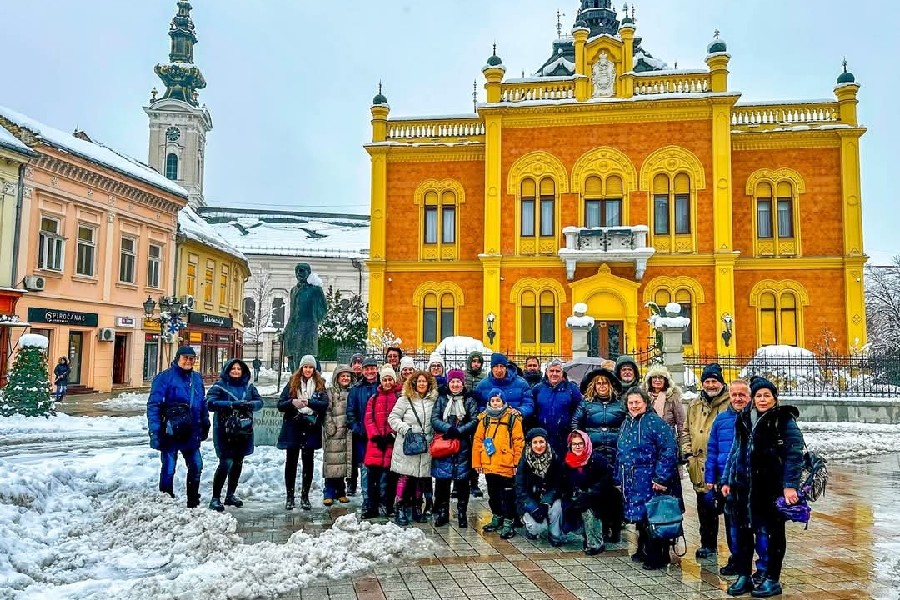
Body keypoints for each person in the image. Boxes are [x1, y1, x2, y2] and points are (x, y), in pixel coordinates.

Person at [722, 377, 805, 598]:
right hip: (743, 487)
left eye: (767, 395)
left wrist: (790, 486)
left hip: (770, 488)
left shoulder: (783, 420)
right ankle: (744, 576)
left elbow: (794, 454)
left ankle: (771, 579)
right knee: (742, 533)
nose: (762, 399)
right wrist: (727, 480)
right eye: (758, 395)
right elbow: (735, 452)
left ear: (774, 399)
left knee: (772, 534)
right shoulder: (744, 419)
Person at [705, 379, 765, 578]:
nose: (738, 399)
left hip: (753, 482)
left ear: (749, 397)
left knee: (758, 528)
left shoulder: (757, 418)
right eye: (734, 395)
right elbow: (712, 449)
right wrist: (710, 477)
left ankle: (762, 566)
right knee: (733, 526)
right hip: (727, 482)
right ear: (729, 396)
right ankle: (737, 559)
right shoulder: (721, 420)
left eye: (742, 395)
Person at [617, 387, 680, 570]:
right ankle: (643, 550)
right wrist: (617, 477)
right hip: (631, 478)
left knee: (653, 517)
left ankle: (658, 556)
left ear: (645, 403)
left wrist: (661, 477)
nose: (634, 406)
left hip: (649, 478)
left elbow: (668, 450)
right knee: (640, 518)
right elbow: (620, 451)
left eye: (637, 402)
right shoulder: (626, 422)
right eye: (631, 403)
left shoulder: (655, 423)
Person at [146, 346, 209, 508]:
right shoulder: (164, 378)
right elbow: (154, 406)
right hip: (170, 432)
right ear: (177, 358)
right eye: (185, 358)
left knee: (196, 465)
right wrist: (155, 431)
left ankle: (193, 500)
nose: (189, 361)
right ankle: (166, 502)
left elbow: (202, 403)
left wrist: (205, 422)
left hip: (191, 431)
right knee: (168, 468)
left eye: (192, 358)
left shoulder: (196, 378)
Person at [683, 363, 732, 559]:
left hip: (724, 464)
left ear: (721, 383)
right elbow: (685, 431)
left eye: (714, 381)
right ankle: (708, 544)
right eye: (707, 381)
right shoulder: (695, 404)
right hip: (700, 464)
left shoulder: (730, 403)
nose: (711, 385)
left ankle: (734, 550)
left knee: (729, 511)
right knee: (705, 508)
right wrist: (688, 453)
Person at [205, 359, 264, 511]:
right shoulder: (220, 386)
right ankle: (215, 497)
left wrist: (251, 405)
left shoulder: (248, 387)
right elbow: (210, 403)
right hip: (225, 432)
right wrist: (231, 405)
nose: (236, 371)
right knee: (225, 463)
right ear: (227, 370)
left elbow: (259, 402)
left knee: (238, 463)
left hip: (243, 431)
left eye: (239, 369)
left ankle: (230, 495)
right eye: (233, 369)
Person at [277, 354, 328, 510]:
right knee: (291, 462)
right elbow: (280, 405)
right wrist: (292, 402)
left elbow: (324, 404)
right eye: (305, 367)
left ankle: (305, 496)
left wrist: (310, 402)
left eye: (310, 367)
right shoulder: (292, 383)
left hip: (310, 427)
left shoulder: (320, 384)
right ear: (301, 368)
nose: (308, 370)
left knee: (308, 462)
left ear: (314, 369)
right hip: (294, 425)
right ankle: (290, 496)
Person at [472, 388, 525, 539]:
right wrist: (477, 462)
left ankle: (509, 520)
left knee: (508, 494)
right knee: (493, 493)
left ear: (503, 402)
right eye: (493, 401)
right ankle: (497, 516)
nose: (495, 403)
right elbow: (477, 440)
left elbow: (518, 442)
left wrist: (516, 463)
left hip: (506, 464)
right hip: (489, 464)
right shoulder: (484, 419)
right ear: (489, 402)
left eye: (498, 400)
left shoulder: (513, 419)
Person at [431, 368, 478, 528]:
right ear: (448, 383)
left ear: (462, 383)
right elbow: (435, 418)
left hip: (463, 445)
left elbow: (474, 420)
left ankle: (462, 512)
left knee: (463, 481)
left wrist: (459, 431)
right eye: (452, 382)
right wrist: (447, 428)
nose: (455, 384)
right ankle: (443, 511)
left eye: (458, 381)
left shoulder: (469, 399)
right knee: (443, 481)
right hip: (444, 444)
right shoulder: (441, 398)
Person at [389, 370, 437, 526]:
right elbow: (393, 418)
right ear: (413, 383)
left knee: (420, 478)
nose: (422, 384)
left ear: (429, 384)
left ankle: (417, 507)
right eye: (419, 381)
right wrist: (404, 428)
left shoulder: (433, 400)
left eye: (425, 381)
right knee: (404, 476)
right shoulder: (405, 400)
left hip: (425, 446)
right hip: (408, 444)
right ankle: (400, 507)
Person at [561, 430, 619, 555]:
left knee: (589, 509)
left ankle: (596, 544)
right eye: (574, 444)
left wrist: (589, 493)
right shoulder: (567, 463)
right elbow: (564, 486)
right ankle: (587, 534)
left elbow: (605, 482)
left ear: (586, 444)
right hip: (576, 499)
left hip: (599, 499)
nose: (577, 447)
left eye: (580, 443)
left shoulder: (598, 460)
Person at [363, 366, 401, 518]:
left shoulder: (399, 398)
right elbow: (368, 418)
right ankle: (372, 507)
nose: (387, 382)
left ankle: (389, 506)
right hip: (376, 444)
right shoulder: (373, 399)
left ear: (394, 381)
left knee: (391, 479)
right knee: (373, 478)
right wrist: (376, 436)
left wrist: (393, 435)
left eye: (389, 379)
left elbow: (402, 418)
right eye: (384, 379)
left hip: (392, 443)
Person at [515, 427, 565, 545]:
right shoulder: (524, 461)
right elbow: (520, 489)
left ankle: (555, 535)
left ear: (546, 442)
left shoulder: (555, 458)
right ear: (530, 444)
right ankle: (531, 530)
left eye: (541, 442)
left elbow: (559, 485)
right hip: (529, 500)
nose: (539, 446)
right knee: (537, 528)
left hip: (549, 497)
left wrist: (546, 501)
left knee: (558, 506)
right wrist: (533, 507)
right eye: (535, 442)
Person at [531, 358, 582, 458]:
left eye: (557, 371)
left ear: (562, 373)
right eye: (551, 371)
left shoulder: (571, 389)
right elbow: (533, 411)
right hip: (543, 437)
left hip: (565, 437)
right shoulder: (538, 389)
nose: (554, 374)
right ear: (546, 372)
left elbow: (579, 409)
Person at [283, 263, 327, 372]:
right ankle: (294, 384)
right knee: (292, 358)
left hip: (308, 331)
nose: (299, 273)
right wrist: (286, 330)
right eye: (297, 271)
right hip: (293, 330)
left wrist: (312, 323)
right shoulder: (293, 290)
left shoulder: (315, 289)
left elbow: (323, 309)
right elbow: (293, 312)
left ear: (308, 273)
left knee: (306, 359)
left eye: (302, 271)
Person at [347, 356, 380, 500]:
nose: (370, 371)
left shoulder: (382, 387)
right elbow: (350, 412)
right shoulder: (356, 389)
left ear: (377, 369)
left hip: (381, 436)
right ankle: (367, 498)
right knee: (366, 467)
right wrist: (357, 428)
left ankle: (379, 498)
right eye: (367, 369)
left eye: (372, 368)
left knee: (380, 468)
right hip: (363, 435)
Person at [322, 364, 354, 505]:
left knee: (342, 463)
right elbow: (326, 411)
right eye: (343, 376)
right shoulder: (330, 392)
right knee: (331, 464)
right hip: (334, 433)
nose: (345, 378)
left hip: (347, 433)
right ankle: (328, 491)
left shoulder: (352, 392)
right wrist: (329, 426)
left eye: (348, 376)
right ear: (337, 378)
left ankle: (341, 491)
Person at [474, 353, 533, 418]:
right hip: (490, 425)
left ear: (506, 368)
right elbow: (477, 406)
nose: (499, 370)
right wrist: (487, 411)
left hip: (514, 424)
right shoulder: (482, 385)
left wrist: (520, 411)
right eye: (496, 366)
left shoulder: (521, 384)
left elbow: (528, 404)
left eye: (502, 366)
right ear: (491, 368)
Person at [642, 364, 686, 440]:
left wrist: (682, 445)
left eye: (661, 377)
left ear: (665, 380)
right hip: (646, 440)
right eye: (654, 377)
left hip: (667, 440)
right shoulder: (644, 397)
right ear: (650, 380)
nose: (657, 380)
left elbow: (681, 423)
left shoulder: (672, 398)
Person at [465, 350, 487, 497]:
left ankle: (474, 482)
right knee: (461, 450)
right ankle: (459, 483)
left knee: (475, 449)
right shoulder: (464, 376)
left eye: (478, 361)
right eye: (473, 361)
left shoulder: (484, 378)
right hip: (463, 416)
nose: (476, 364)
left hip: (478, 417)